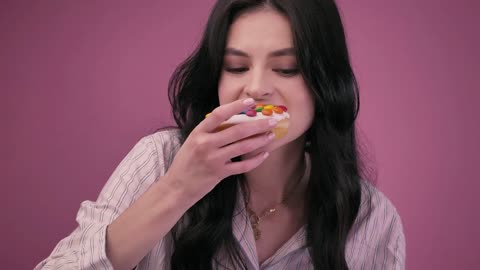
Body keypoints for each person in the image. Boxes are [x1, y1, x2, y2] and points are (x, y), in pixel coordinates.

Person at [34, 0, 405, 269]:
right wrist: (177, 189)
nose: (256, 88)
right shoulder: (160, 159)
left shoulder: (372, 220)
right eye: (237, 67)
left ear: (325, 85)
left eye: (287, 68)